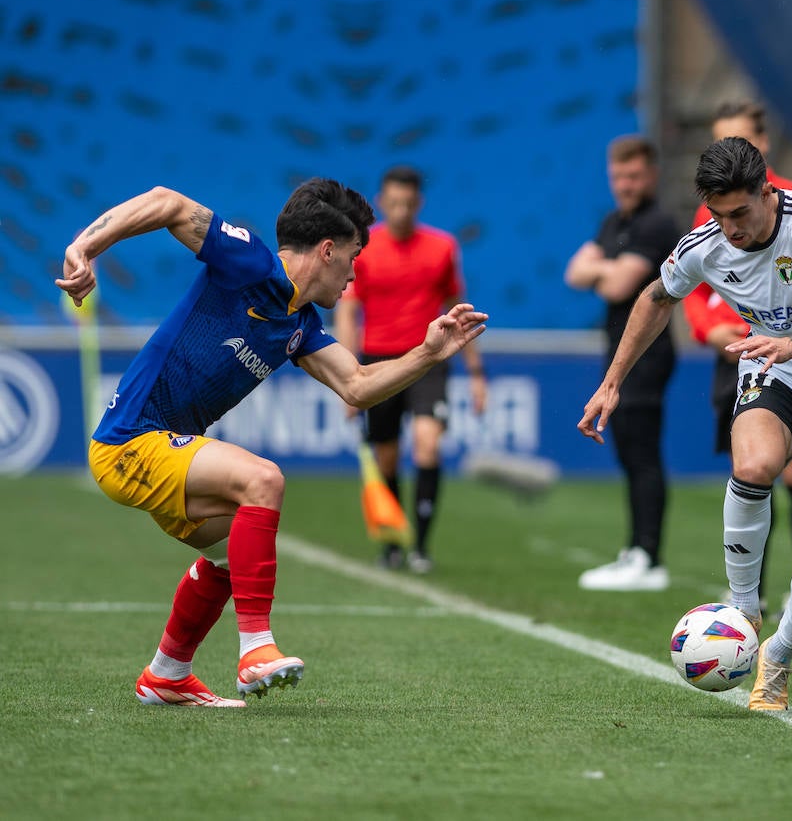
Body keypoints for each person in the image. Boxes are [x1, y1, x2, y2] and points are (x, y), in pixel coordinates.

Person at [56, 181, 487, 707]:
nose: (354, 274)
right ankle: (256, 647)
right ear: (327, 250)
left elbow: (357, 385)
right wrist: (84, 248)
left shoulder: (301, 324)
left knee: (234, 557)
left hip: (159, 451)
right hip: (131, 441)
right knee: (263, 479)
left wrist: (427, 353)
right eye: (352, 257)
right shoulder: (249, 262)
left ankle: (167, 673)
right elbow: (167, 202)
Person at [579, 137, 792, 710]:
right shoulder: (706, 244)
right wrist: (613, 380)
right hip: (774, 373)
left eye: (741, 213)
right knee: (752, 466)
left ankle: (779, 656)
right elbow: (655, 297)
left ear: (768, 192)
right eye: (719, 215)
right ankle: (744, 611)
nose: (731, 228)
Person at [681, 101, 792, 613]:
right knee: (753, 469)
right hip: (735, 355)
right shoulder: (708, 210)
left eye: (740, 140)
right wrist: (711, 331)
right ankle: (750, 589)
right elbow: (688, 286)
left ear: (764, 143)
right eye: (718, 142)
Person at [333, 165, 487, 573]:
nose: (400, 211)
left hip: (428, 359)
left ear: (418, 204)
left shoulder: (442, 247)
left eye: (408, 204)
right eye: (393, 203)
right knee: (386, 458)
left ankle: (420, 545)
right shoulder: (363, 247)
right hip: (377, 362)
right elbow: (348, 311)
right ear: (381, 202)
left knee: (427, 444)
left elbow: (459, 309)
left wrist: (476, 375)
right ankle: (393, 544)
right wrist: (347, 374)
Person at [565, 135, 679, 591]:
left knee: (642, 452)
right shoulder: (614, 221)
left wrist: (604, 269)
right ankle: (637, 551)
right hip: (617, 354)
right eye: (618, 176)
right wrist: (607, 268)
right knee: (629, 451)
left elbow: (617, 287)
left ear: (650, 174)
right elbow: (575, 272)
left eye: (633, 176)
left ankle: (648, 557)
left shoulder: (656, 224)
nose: (625, 185)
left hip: (648, 354)